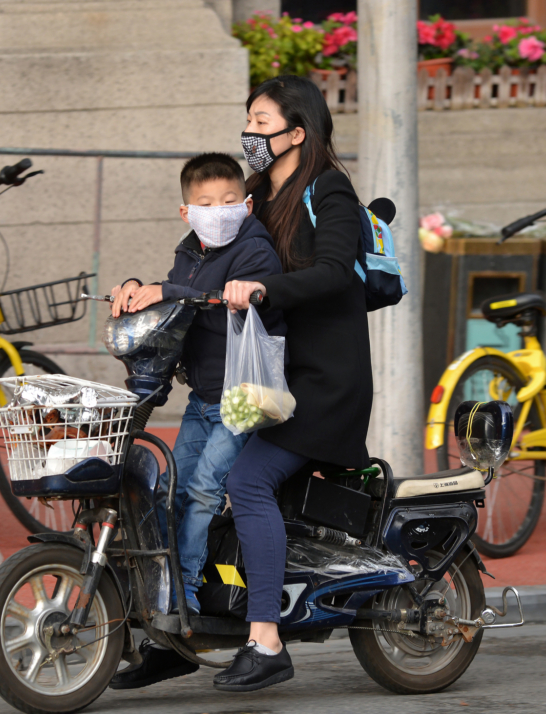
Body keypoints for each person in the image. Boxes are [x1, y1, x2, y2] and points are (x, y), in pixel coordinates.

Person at [211, 75, 374, 693]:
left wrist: (263, 287)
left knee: (247, 481)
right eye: (248, 121)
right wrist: (148, 288)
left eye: (260, 122)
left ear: (296, 133)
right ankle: (180, 633)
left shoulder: (329, 190)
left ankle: (267, 642)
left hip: (325, 382)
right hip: (269, 376)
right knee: (198, 479)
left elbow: (334, 271)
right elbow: (203, 252)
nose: (249, 133)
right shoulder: (253, 193)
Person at [108, 152, 285, 690]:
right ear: (186, 211)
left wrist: (172, 292)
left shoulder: (255, 249)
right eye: (206, 204)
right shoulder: (188, 253)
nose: (219, 211)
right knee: (169, 486)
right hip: (204, 398)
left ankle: (179, 596)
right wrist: (136, 289)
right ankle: (168, 615)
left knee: (207, 488)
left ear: (247, 203)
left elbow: (220, 300)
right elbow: (174, 304)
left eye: (230, 201)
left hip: (243, 397)